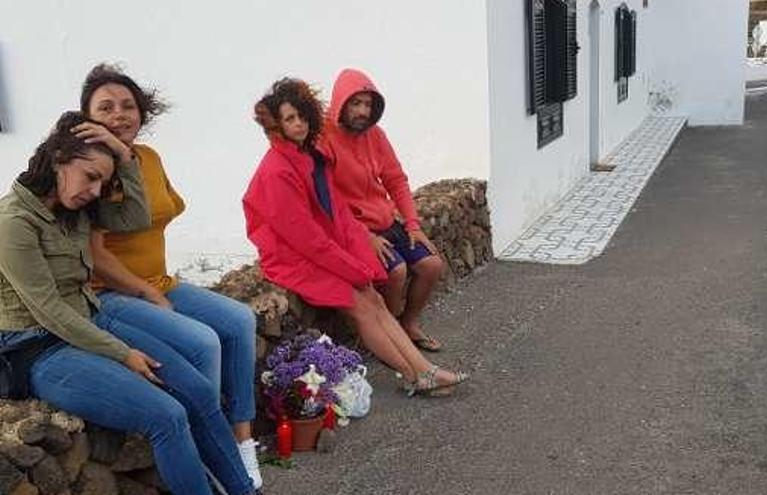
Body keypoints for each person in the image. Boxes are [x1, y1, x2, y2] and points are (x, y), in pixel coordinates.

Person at [0, 112, 259, 495]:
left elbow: (136, 216)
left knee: (200, 392)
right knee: (167, 416)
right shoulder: (14, 222)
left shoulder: (74, 210)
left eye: (102, 182)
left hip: (90, 319)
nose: (94, 189)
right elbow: (48, 310)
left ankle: (243, 490)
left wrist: (124, 157)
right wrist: (123, 354)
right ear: (58, 158)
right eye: (90, 176)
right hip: (40, 349)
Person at [78, 64, 262, 489]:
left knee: (239, 320)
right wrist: (145, 290)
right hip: (112, 292)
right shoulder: (91, 170)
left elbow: (162, 209)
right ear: (87, 117)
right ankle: (206, 453)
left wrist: (154, 286)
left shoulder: (148, 159)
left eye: (128, 105)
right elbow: (95, 254)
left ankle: (241, 444)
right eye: (105, 107)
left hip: (158, 280)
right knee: (203, 342)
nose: (119, 114)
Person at [244, 78, 468, 396]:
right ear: (276, 125)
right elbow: (305, 238)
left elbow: (336, 214)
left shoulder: (306, 156)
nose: (298, 124)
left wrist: (357, 254)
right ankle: (413, 375)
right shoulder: (279, 170)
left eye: (302, 116)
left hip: (321, 250)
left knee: (373, 298)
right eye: (289, 119)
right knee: (361, 305)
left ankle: (425, 370)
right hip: (293, 259)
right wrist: (352, 267)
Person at [323, 68, 446, 352]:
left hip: (387, 219)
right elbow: (329, 198)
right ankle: (388, 339)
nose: (363, 111)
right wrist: (364, 235)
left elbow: (396, 179)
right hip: (355, 228)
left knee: (431, 265)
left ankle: (409, 325)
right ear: (341, 102)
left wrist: (413, 224)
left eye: (368, 104)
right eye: (356, 103)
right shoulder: (325, 139)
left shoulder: (376, 135)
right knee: (397, 272)